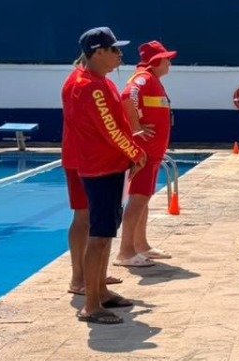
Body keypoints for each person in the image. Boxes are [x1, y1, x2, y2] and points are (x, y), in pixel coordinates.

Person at [65, 27, 146, 324]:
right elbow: (109, 129)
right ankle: (92, 304)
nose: (120, 55)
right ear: (98, 52)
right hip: (102, 167)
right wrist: (135, 152)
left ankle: (100, 291)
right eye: (115, 50)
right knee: (98, 237)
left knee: (105, 231)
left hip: (107, 165)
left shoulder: (95, 81)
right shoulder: (91, 86)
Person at [62, 56, 123, 296]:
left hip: (98, 159)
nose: (118, 57)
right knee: (85, 217)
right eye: (113, 51)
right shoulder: (81, 83)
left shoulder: (100, 81)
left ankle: (95, 275)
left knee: (101, 220)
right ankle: (79, 278)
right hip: (82, 159)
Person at [115, 41, 177, 268]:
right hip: (145, 153)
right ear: (156, 61)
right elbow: (127, 95)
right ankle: (126, 252)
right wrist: (135, 127)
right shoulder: (144, 78)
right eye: (167, 59)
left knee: (144, 199)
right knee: (138, 199)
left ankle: (141, 245)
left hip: (153, 153)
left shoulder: (153, 81)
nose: (169, 63)